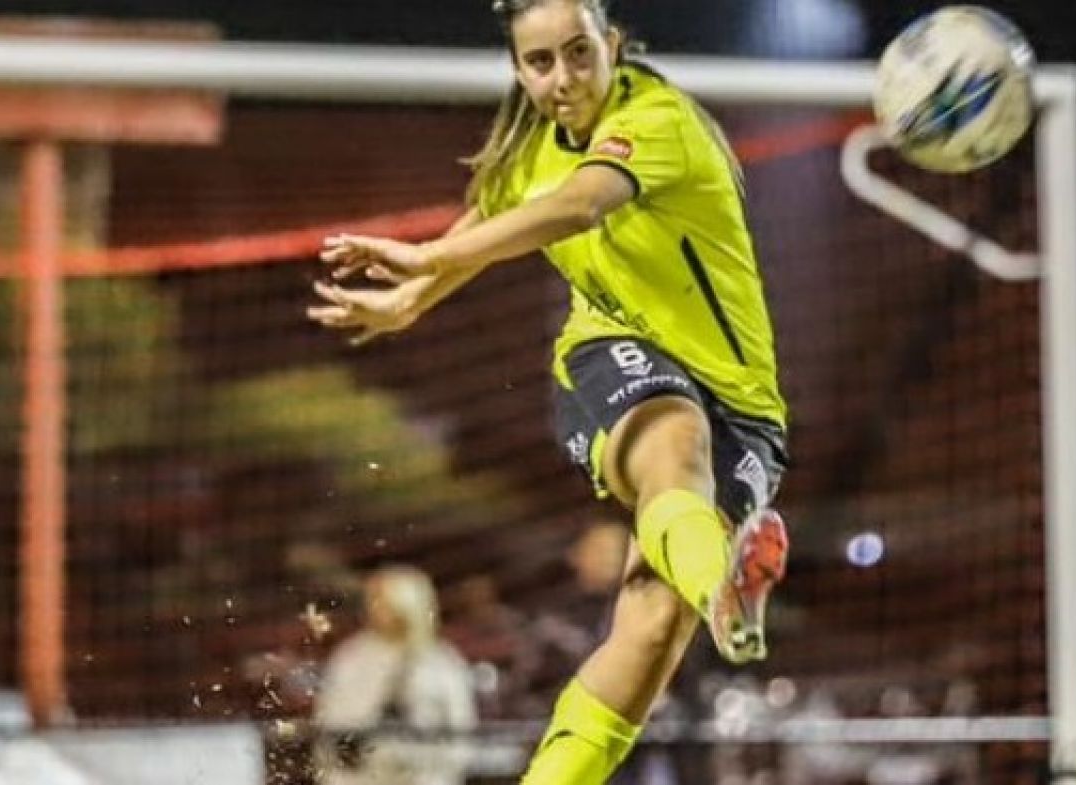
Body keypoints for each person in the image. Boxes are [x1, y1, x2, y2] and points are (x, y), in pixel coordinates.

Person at [307, 0, 792, 780]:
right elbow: (487, 220)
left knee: (650, 623)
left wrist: (423, 268)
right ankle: (725, 583)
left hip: (745, 406)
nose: (562, 78)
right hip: (608, 358)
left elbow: (580, 203)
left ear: (614, 46)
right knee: (676, 437)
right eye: (540, 62)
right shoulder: (532, 149)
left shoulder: (658, 118)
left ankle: (708, 594)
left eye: (578, 53)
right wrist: (413, 295)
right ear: (519, 70)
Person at [312, 565, 477, 785]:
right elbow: (330, 728)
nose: (376, 608)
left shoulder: (441, 661)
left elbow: (459, 733)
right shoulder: (352, 656)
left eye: (384, 600)